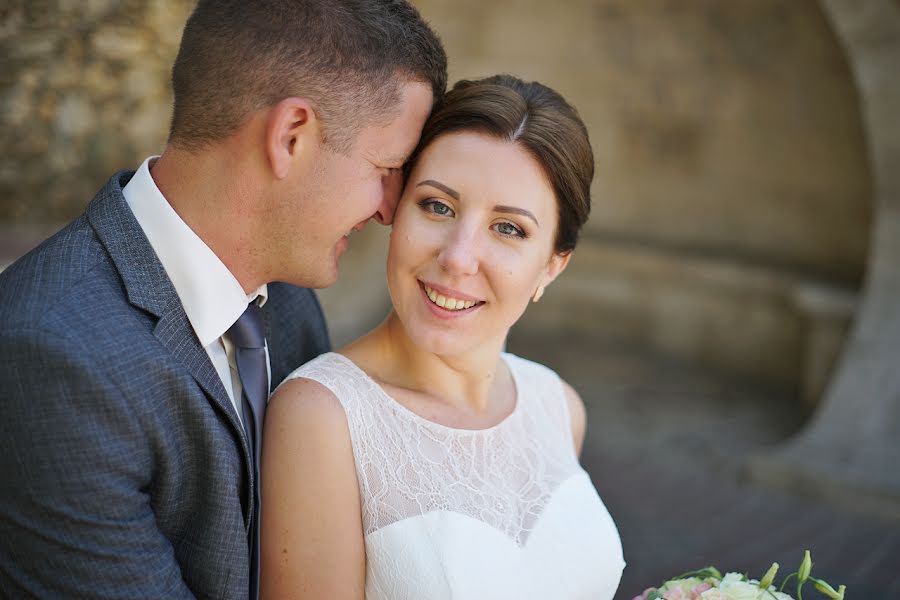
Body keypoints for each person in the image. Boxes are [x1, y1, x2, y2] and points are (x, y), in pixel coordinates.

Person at [0, 1, 446, 598]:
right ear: (291, 136)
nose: (391, 209)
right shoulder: (51, 356)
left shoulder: (285, 299)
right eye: (386, 168)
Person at [261, 74, 625, 599]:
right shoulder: (323, 416)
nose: (457, 257)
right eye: (437, 206)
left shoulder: (558, 407)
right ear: (395, 208)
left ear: (551, 266)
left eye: (508, 228)